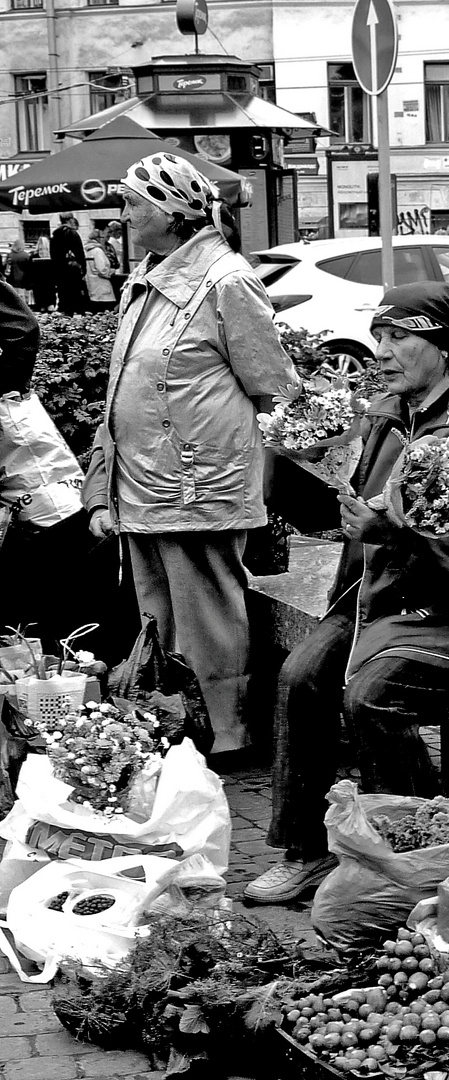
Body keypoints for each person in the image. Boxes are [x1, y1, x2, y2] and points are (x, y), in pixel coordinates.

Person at [245, 281, 449, 904]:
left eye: (399, 336)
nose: (381, 351)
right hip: (377, 597)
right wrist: (294, 449)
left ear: (443, 346)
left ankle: (417, 853)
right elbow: (329, 512)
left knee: (371, 697)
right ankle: (307, 851)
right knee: (300, 677)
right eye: (379, 335)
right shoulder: (385, 418)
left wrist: (393, 532)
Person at [83, 152, 299, 758]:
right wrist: (103, 486)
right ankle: (178, 730)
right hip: (144, 485)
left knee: (205, 616)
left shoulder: (226, 281)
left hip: (197, 487)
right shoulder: (147, 277)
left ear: (173, 213)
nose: (122, 216)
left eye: (133, 204)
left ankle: (226, 737)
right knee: (159, 617)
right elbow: (120, 391)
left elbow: (274, 390)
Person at [50, 213, 87, 314]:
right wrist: (83, 268)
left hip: (60, 271)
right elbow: (80, 253)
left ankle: (65, 316)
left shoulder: (55, 234)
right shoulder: (72, 233)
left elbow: (53, 255)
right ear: (70, 220)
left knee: (64, 296)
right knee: (75, 296)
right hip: (72, 271)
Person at [83, 227, 116, 311]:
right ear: (98, 238)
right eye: (102, 237)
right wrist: (111, 272)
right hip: (102, 287)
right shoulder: (98, 251)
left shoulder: (87, 250)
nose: (104, 239)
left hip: (92, 285)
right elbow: (102, 269)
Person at [5, 241, 33, 306]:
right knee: (23, 295)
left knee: (13, 294)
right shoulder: (25, 255)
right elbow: (29, 268)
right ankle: (24, 306)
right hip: (23, 277)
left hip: (12, 278)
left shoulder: (10, 255)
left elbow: (6, 267)